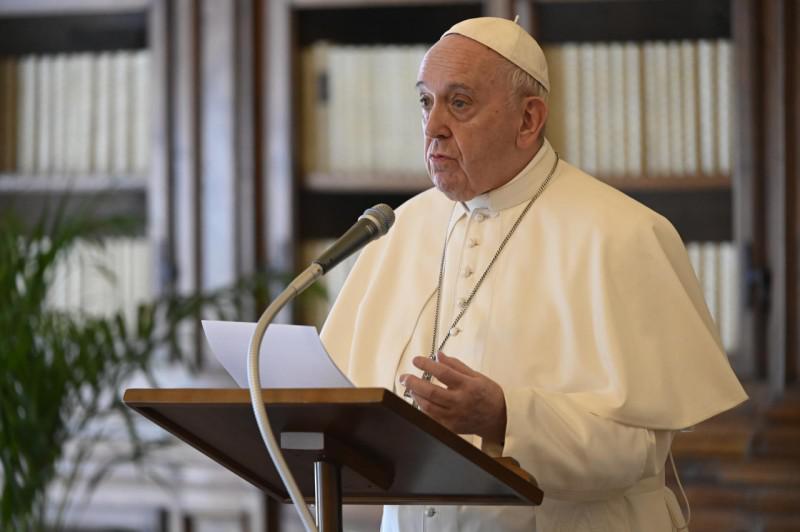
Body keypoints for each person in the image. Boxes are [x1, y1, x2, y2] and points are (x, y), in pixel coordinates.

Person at [320, 16, 747, 532]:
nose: (433, 127)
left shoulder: (623, 234)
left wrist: (506, 417)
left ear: (529, 120)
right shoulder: (401, 228)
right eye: (425, 102)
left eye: (459, 103)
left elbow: (638, 452)